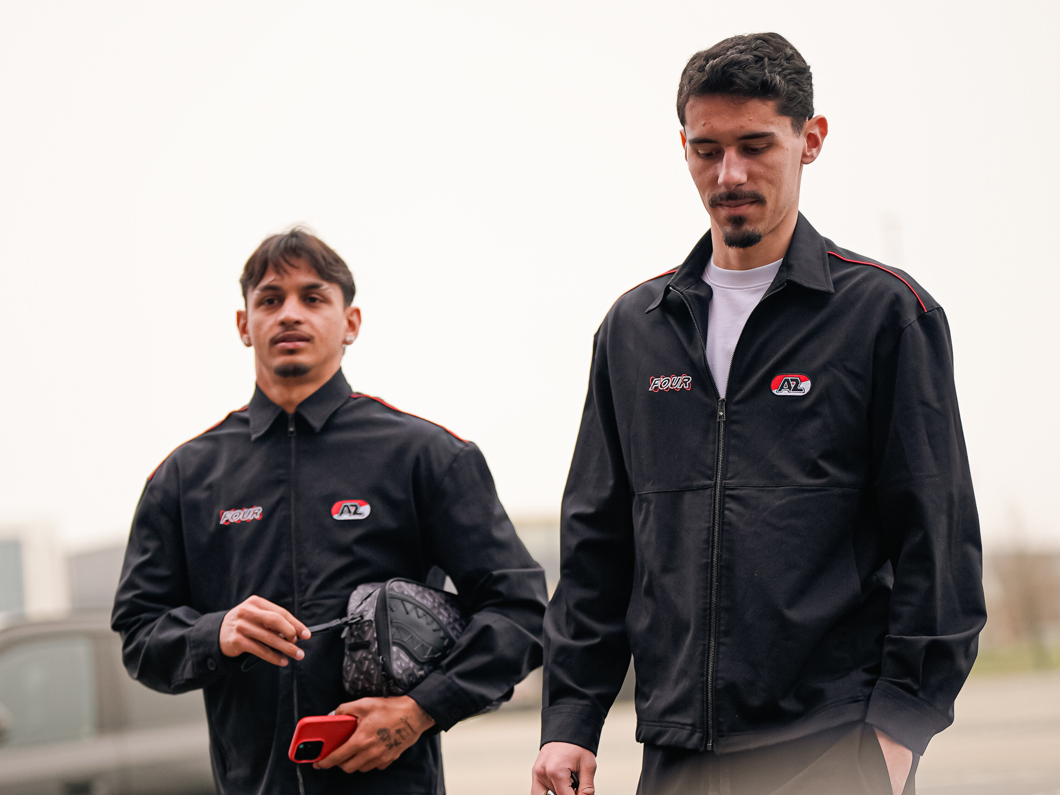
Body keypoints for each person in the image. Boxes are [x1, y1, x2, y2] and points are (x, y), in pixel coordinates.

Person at [531, 32, 985, 795]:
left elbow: (936, 540)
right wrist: (570, 719)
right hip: (676, 746)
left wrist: (896, 733)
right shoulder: (634, 328)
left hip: (830, 744)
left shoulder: (885, 315)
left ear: (811, 140)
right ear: (682, 146)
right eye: (707, 149)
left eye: (755, 146)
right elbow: (597, 547)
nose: (729, 174)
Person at [112, 228, 548, 795]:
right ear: (244, 324)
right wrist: (216, 632)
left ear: (351, 322)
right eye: (270, 299)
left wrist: (420, 709)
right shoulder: (184, 478)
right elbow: (139, 632)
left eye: (313, 297)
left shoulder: (425, 456)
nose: (290, 313)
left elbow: (520, 610)